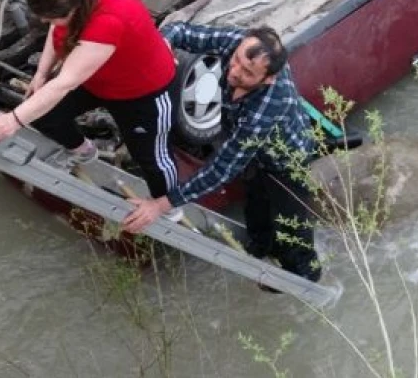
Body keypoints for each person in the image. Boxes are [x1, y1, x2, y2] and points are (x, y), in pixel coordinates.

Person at [121, 23, 322, 284]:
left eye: (247, 73)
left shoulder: (269, 106)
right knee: (257, 211)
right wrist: (164, 49)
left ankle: (304, 276)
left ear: (268, 78)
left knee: (291, 227)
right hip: (252, 156)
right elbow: (179, 30)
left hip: (286, 159)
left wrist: (160, 205)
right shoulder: (239, 42)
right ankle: (260, 249)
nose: (234, 71)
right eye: (236, 60)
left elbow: (221, 169)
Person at [0, 0, 179, 199]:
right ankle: (84, 151)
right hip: (97, 74)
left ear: (72, 10)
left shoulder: (107, 21)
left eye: (49, 18)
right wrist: (42, 73)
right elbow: (57, 29)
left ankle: (168, 206)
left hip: (142, 89)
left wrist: (12, 121)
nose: (44, 23)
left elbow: (66, 82)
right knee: (43, 113)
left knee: (151, 157)